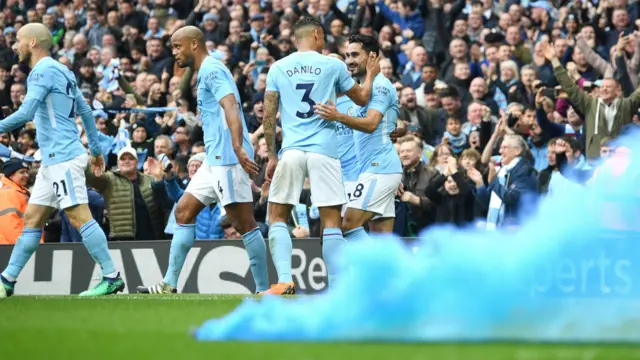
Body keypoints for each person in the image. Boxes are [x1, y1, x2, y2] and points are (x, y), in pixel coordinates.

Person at [136, 26, 269, 294]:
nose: (174, 53)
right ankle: (169, 284)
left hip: (228, 158)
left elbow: (231, 104)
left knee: (244, 223)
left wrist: (238, 147)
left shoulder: (211, 69)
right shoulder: (206, 70)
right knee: (183, 211)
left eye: (177, 46)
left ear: (194, 44)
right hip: (214, 158)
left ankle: (264, 289)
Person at [0, 23, 123, 299]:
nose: (15, 45)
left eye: (18, 40)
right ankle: (6, 281)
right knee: (32, 219)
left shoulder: (41, 72)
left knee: (79, 216)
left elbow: (26, 111)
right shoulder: (63, 71)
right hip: (56, 159)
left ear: (32, 42)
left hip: (63, 158)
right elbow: (85, 110)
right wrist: (95, 149)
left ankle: (111, 276)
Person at [262, 17, 379, 293]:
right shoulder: (333, 65)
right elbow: (362, 98)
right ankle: (337, 286)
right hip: (324, 152)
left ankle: (284, 281)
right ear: (316, 34)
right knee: (331, 222)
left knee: (277, 216)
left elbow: (269, 115)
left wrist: (271, 155)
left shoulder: (278, 68)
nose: (324, 40)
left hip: (291, 151)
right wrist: (371, 73)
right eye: (323, 35)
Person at [315, 34, 402, 242]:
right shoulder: (364, 88)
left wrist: (338, 116)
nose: (349, 61)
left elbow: (371, 124)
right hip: (373, 169)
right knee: (382, 238)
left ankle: (368, 268)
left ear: (372, 56)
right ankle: (388, 274)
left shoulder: (380, 86)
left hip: (379, 168)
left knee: (348, 224)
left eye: (355, 55)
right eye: (347, 55)